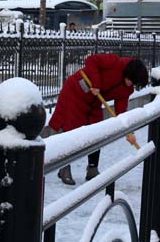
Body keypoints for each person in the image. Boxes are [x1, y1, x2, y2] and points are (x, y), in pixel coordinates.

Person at [43, 54, 149, 185]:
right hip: (76, 92)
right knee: (71, 129)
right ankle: (65, 168)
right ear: (129, 72)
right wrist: (96, 83)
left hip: (94, 102)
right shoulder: (114, 62)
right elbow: (91, 60)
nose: (131, 84)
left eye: (134, 83)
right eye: (131, 80)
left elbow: (121, 111)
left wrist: (128, 131)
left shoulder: (127, 89)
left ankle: (92, 169)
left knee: (97, 133)